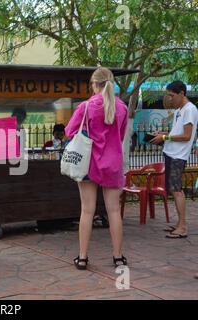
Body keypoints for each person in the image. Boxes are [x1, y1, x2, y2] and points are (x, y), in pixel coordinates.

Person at [65, 67, 128, 270]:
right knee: (114, 211)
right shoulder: (122, 108)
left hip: (88, 165)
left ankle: (82, 257)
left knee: (87, 210)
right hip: (112, 164)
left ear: (94, 84)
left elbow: (68, 132)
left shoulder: (86, 106)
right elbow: (120, 136)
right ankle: (118, 257)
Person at [150, 81, 198, 239]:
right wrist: (164, 133)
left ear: (182, 93)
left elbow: (186, 136)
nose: (169, 99)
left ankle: (183, 227)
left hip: (178, 155)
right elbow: (178, 131)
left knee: (177, 190)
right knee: (174, 190)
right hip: (171, 153)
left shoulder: (190, 110)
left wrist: (164, 137)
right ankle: (179, 224)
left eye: (172, 95)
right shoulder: (181, 110)